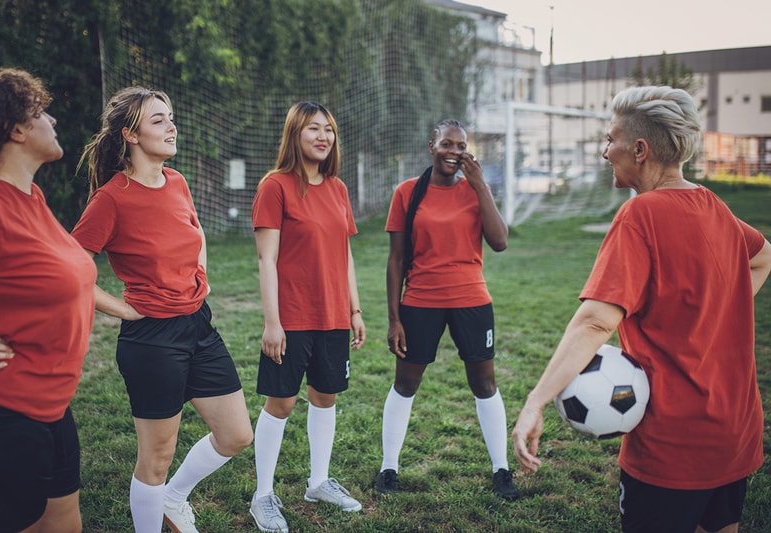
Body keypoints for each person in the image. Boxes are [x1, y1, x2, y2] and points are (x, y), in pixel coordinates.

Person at [512, 86, 771, 533]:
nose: (604, 151)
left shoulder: (641, 215)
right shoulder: (714, 205)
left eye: (610, 139)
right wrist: (712, 312)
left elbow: (596, 320)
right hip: (735, 430)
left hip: (673, 442)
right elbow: (763, 255)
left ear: (639, 149)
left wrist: (535, 401)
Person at [71, 87, 253, 533]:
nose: (171, 127)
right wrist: (122, 309)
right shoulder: (111, 199)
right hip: (151, 339)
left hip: (198, 327)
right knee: (156, 457)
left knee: (236, 435)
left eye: (171, 117)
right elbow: (69, 267)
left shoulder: (177, 182)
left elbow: (197, 231)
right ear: (130, 135)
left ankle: (174, 500)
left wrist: (200, 274)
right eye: (158, 120)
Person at [0, 68, 96, 533]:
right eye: (40, 112)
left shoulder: (32, 196)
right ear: (16, 129)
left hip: (54, 408)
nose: (54, 121)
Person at [373, 119, 519, 500]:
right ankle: (389, 467)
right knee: (406, 384)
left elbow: (500, 242)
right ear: (432, 146)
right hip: (420, 301)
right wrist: (394, 319)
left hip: (472, 301)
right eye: (448, 144)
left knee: (484, 384)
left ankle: (501, 470)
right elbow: (396, 260)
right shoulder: (407, 193)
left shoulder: (475, 190)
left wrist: (480, 185)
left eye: (462, 146)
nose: (455, 152)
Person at [249, 101, 366, 533]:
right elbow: (266, 260)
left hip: (333, 315)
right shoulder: (275, 186)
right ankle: (262, 496)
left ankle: (318, 482)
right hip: (292, 317)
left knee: (326, 397)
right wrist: (272, 322)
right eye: (314, 129)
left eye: (329, 130)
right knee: (281, 403)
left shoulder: (338, 188)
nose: (323, 137)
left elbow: (345, 253)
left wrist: (353, 308)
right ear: (295, 134)